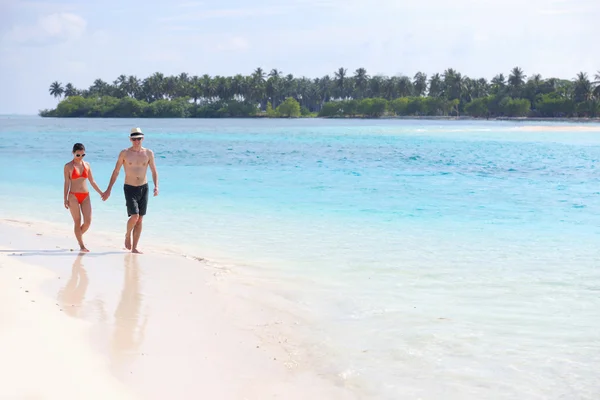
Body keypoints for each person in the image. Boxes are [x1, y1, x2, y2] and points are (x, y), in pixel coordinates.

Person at [102, 127, 159, 254]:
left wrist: (156, 186)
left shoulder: (148, 153)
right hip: (129, 187)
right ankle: (127, 235)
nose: (136, 141)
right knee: (134, 216)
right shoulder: (125, 153)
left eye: (139, 139)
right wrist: (108, 189)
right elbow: (116, 171)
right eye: (134, 139)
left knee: (140, 219)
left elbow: (154, 171)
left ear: (142, 139)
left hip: (144, 187)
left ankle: (134, 248)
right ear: (130, 139)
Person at [63, 143, 104, 252]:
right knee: (77, 221)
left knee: (88, 222)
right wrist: (65, 198)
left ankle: (78, 235)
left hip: (86, 196)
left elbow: (92, 181)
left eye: (82, 155)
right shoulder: (68, 166)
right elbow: (67, 183)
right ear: (73, 153)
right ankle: (82, 245)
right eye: (78, 155)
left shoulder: (87, 165)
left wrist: (101, 193)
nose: (80, 157)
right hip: (73, 196)